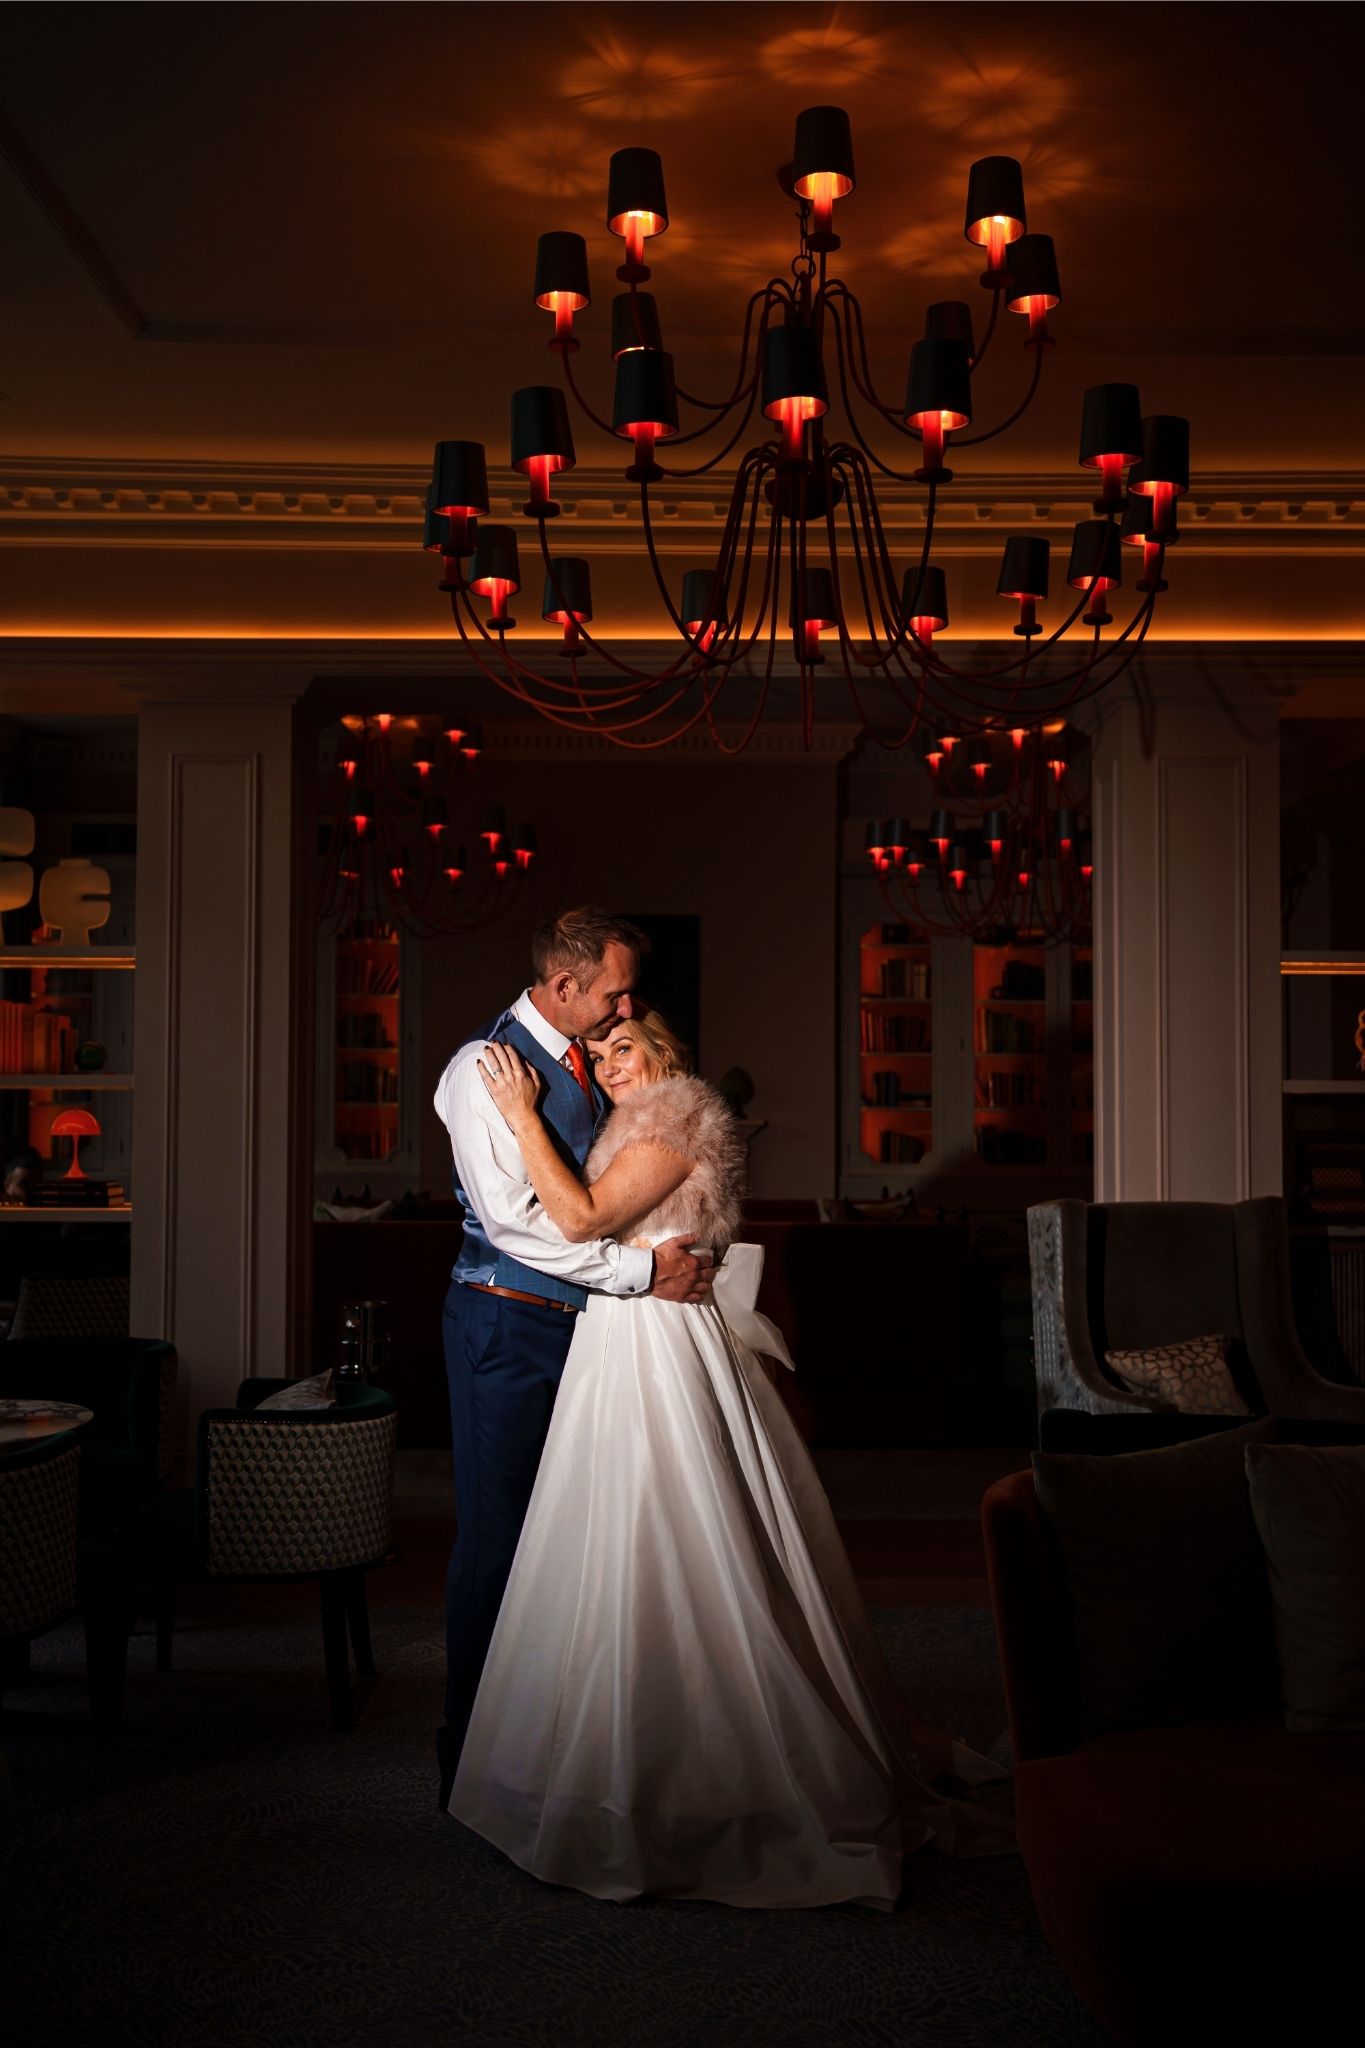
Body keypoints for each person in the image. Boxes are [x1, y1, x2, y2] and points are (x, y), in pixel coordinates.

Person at [450, 1008, 1008, 1909]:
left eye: (622, 1045)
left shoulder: (676, 1114)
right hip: (623, 1334)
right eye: (597, 1051)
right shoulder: (634, 1118)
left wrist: (519, 1116)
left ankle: (710, 1776)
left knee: (681, 1529)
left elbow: (581, 1216)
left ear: (661, 1050)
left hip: (659, 1346)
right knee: (607, 1537)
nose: (606, 1061)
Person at [432, 909, 714, 1808]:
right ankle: (471, 1759)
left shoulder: (595, 1062)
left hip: (590, 1332)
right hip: (505, 1327)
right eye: (612, 990)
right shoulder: (483, 1070)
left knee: (571, 1544)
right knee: (499, 1542)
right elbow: (522, 1225)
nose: (627, 1004)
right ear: (562, 986)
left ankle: (554, 1747)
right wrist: (638, 1273)